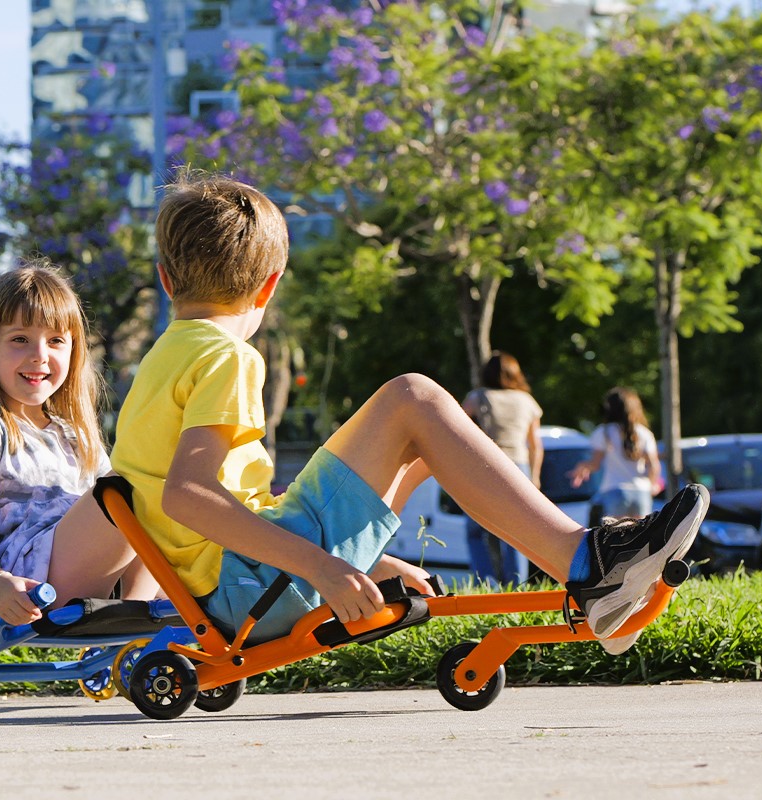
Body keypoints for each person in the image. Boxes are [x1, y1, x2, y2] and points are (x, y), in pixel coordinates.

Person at [110, 171, 709, 658]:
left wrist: (365, 556)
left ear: (165, 280)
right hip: (249, 589)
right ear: (269, 288)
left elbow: (197, 505)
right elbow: (188, 497)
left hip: (236, 587)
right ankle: (587, 563)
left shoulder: (162, 359)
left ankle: (606, 597)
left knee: (420, 443)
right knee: (413, 398)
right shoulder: (227, 357)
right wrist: (321, 566)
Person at [0, 264, 155, 677]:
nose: (39, 356)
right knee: (129, 489)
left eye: (55, 341)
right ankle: (134, 636)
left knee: (151, 488)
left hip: (84, 573)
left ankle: (134, 632)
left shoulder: (73, 435)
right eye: (19, 340)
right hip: (30, 584)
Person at [461, 352, 543, 586]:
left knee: (476, 529)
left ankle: (485, 583)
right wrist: (535, 477)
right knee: (517, 531)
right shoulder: (527, 401)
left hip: (488, 463)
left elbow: (457, 428)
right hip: (519, 466)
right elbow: (535, 444)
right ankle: (517, 585)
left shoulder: (477, 397)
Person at [570, 387, 663, 523]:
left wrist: (582, 466)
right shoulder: (644, 433)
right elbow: (654, 466)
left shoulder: (603, 432)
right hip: (641, 491)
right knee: (640, 537)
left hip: (614, 490)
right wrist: (652, 484)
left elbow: (595, 464)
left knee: (617, 537)